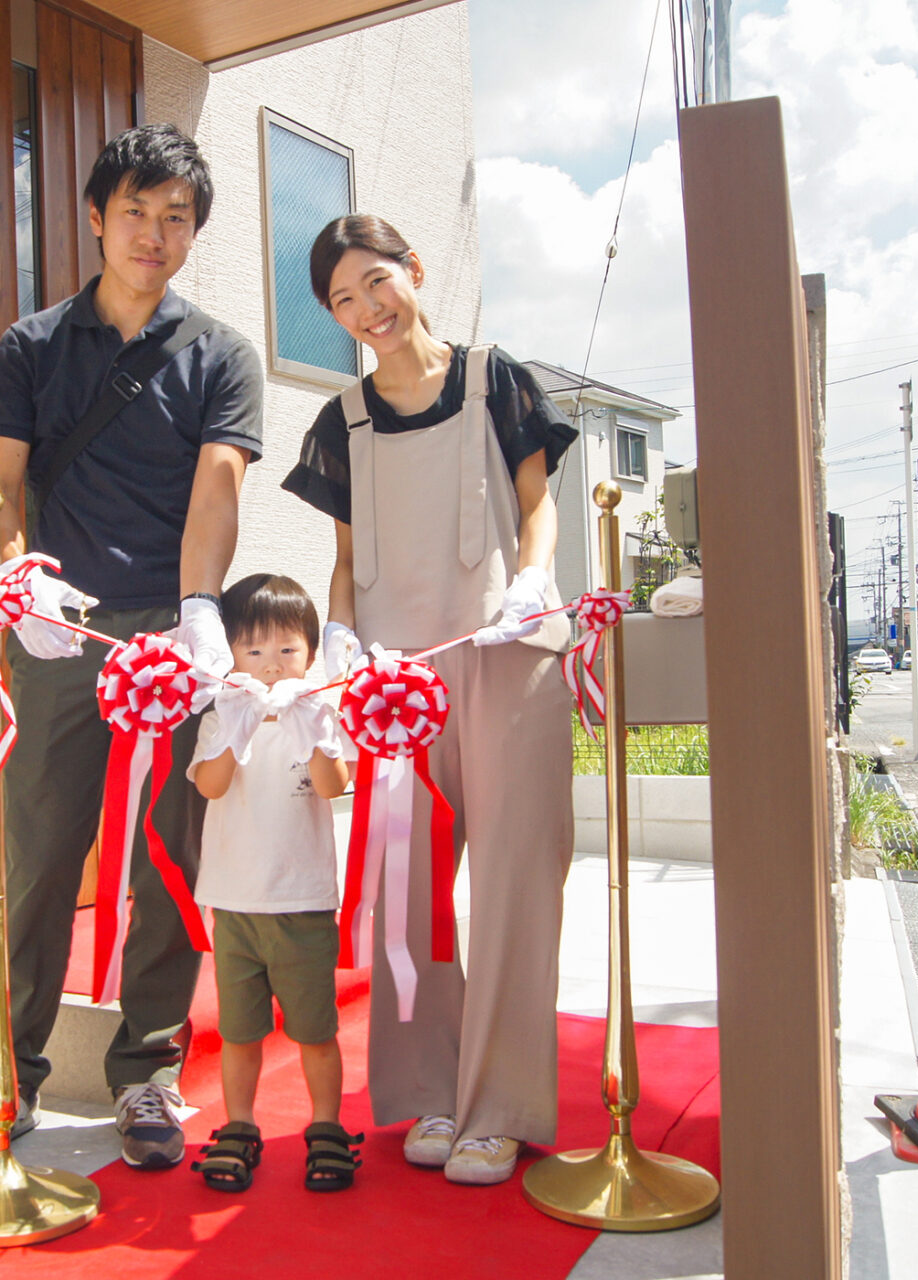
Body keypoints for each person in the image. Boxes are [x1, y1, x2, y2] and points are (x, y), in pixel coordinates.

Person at [0, 124, 264, 1170]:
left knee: (169, 855)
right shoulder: (32, 345)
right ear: (93, 215)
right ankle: (9, 1069)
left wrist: (200, 609)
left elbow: (219, 484)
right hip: (58, 629)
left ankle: (149, 1075)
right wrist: (16, 578)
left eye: (177, 217)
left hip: (173, 632)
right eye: (136, 210)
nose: (154, 234)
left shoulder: (220, 351)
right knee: (38, 852)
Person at [281, 214, 576, 1186]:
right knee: (407, 895)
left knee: (515, 884)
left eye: (377, 283)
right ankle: (430, 1094)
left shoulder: (499, 378)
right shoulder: (344, 421)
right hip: (398, 684)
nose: (368, 310)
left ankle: (502, 1105)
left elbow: (537, 503)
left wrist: (533, 581)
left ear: (412, 270)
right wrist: (339, 641)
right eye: (343, 301)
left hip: (505, 652)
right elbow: (347, 565)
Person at [184, 574, 358, 1192]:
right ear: (230, 655)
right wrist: (238, 726)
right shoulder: (222, 714)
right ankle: (238, 1125)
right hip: (234, 904)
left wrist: (312, 725)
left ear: (311, 654)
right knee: (238, 1032)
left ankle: (328, 1127)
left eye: (287, 650)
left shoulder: (320, 713)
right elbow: (209, 785)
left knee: (315, 1030)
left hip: (303, 902)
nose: (270, 666)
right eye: (253, 652)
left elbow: (335, 785)